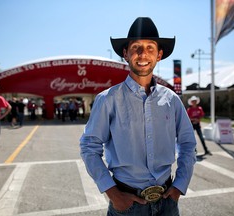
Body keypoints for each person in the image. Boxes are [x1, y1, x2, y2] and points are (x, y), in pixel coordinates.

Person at [80, 17, 197, 215]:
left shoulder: (172, 100)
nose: (143, 54)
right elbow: (89, 148)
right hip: (127, 205)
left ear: (159, 55)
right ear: (125, 54)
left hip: (167, 202)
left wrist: (179, 185)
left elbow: (187, 144)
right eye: (136, 47)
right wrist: (114, 195)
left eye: (150, 48)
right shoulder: (107, 99)